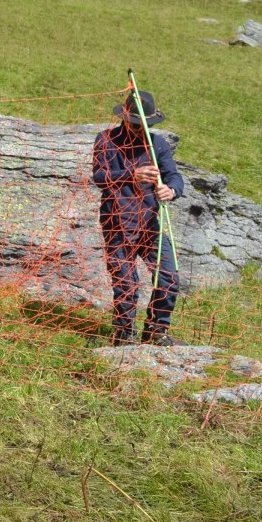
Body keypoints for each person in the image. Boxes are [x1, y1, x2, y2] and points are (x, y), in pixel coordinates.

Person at [91, 89, 185, 347]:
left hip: (151, 222)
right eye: (134, 124)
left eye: (144, 125)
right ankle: (123, 336)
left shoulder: (158, 145)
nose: (139, 129)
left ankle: (157, 332)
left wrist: (172, 190)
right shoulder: (106, 140)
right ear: (124, 118)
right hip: (117, 223)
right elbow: (99, 177)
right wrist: (132, 173)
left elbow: (174, 177)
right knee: (126, 283)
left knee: (169, 277)